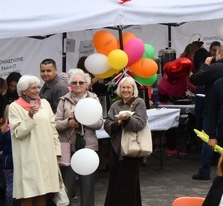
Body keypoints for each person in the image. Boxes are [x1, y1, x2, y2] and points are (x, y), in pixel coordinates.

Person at [9, 75, 61, 206]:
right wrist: (30, 116)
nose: (37, 90)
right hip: (29, 157)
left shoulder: (45, 103)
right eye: (33, 88)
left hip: (47, 155)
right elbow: (18, 133)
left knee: (44, 192)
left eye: (38, 87)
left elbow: (53, 128)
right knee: (28, 193)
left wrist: (57, 152)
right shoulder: (14, 107)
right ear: (23, 90)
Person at [54, 69, 104, 206]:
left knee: (87, 186)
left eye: (81, 82)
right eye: (74, 82)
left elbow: (100, 123)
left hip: (88, 148)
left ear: (87, 84)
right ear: (70, 84)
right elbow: (55, 123)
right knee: (67, 187)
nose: (78, 85)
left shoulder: (93, 99)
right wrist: (68, 123)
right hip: (68, 147)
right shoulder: (63, 100)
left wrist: (85, 119)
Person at [190, 45, 223, 181]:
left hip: (212, 109)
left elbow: (195, 79)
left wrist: (205, 64)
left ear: (219, 54)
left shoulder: (213, 68)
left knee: (208, 139)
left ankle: (205, 170)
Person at [103, 76, 147, 206]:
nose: (126, 90)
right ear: (119, 89)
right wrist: (118, 123)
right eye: (123, 87)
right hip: (117, 149)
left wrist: (127, 120)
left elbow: (140, 123)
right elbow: (107, 124)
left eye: (128, 87)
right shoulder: (115, 105)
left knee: (128, 184)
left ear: (133, 89)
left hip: (132, 149)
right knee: (114, 183)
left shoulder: (139, 103)